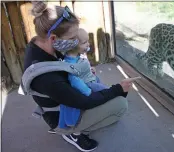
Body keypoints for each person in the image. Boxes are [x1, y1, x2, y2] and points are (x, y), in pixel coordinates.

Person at [24, 1, 130, 151]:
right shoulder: (46, 77)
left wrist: (82, 71)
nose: (76, 41)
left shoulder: (40, 44)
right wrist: (117, 89)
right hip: (62, 114)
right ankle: (72, 132)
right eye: (73, 38)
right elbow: (83, 101)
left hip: (63, 98)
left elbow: (67, 66)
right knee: (120, 105)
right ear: (54, 38)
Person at [55, 28, 109, 130]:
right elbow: (74, 80)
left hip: (90, 79)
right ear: (74, 45)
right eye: (84, 42)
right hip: (88, 85)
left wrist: (89, 69)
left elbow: (83, 67)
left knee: (102, 89)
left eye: (87, 41)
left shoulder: (78, 55)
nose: (88, 44)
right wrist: (89, 93)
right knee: (106, 91)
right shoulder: (70, 64)